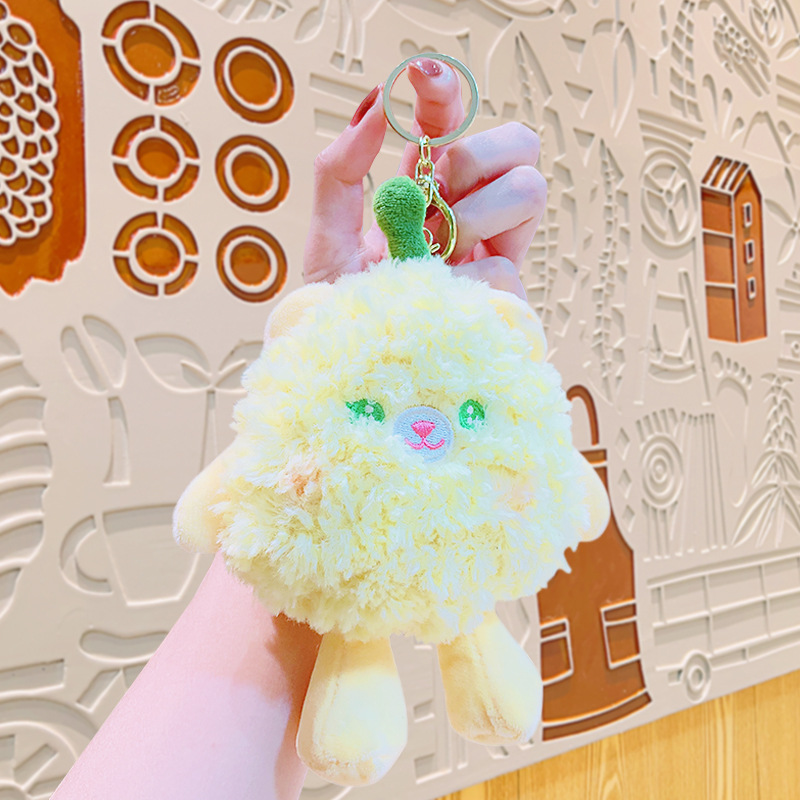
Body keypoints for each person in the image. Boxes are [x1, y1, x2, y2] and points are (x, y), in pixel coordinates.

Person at [52, 58, 546, 800]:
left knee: (457, 617)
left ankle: (450, 667)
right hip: (334, 557)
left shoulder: (444, 349)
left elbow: (561, 489)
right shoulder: (328, 352)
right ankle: (385, 681)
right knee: (369, 633)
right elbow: (249, 492)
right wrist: (321, 376)